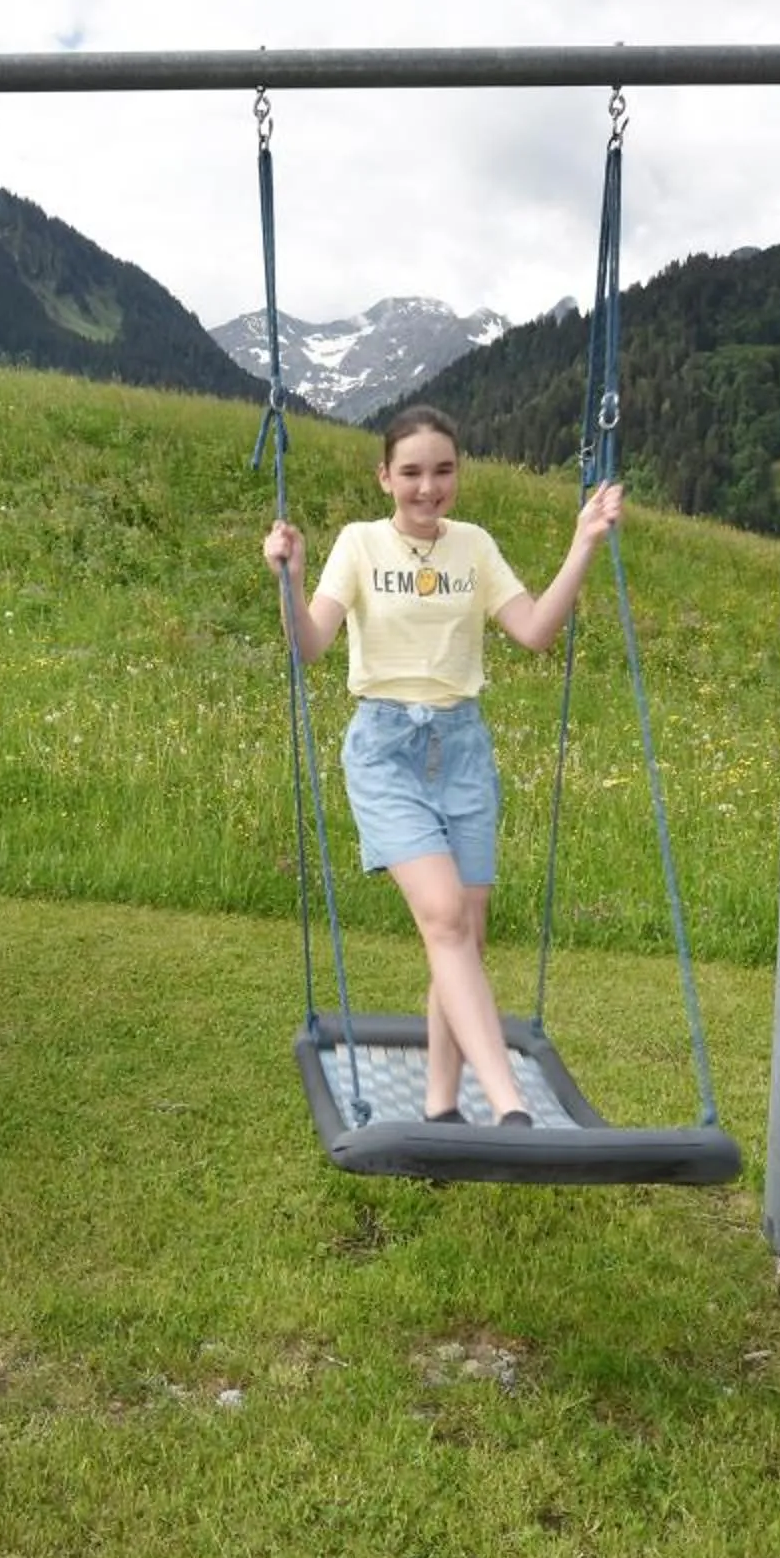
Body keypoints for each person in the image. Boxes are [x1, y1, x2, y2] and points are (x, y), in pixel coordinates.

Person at [263, 405, 623, 1127]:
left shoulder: (475, 547)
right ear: (385, 477)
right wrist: (290, 581)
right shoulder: (360, 544)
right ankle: (509, 1102)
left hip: (462, 750)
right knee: (444, 917)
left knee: (463, 936)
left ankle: (439, 1108)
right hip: (386, 747)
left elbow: (534, 632)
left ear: (458, 472)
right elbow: (309, 646)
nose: (428, 488)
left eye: (443, 470)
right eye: (412, 473)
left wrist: (584, 542)